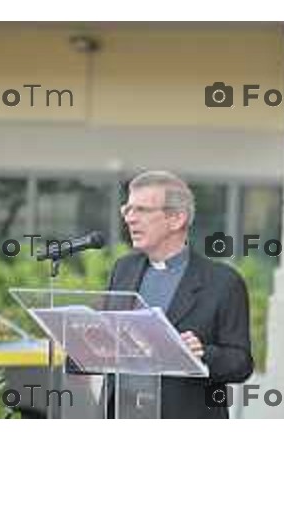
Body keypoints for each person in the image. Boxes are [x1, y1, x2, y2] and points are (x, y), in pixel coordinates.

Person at [107, 170, 254, 418]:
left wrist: (203, 353)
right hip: (122, 412)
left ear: (176, 219)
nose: (130, 219)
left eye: (141, 210)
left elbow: (241, 363)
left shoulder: (223, 282)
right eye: (127, 209)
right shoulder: (124, 268)